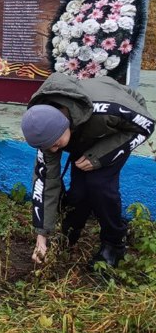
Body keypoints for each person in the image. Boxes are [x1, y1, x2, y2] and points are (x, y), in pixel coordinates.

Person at [21, 72, 154, 268]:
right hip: (83, 131)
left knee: (99, 185)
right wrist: (42, 238)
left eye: (57, 145)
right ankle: (69, 234)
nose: (53, 151)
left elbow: (147, 125)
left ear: (65, 125)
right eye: (48, 147)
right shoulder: (45, 126)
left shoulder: (108, 109)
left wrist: (99, 156)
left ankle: (114, 242)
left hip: (121, 129)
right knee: (79, 191)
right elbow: (45, 183)